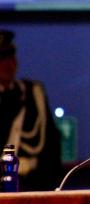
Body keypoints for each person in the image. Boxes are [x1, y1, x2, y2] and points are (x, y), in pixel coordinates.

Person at [0, 29, 62, 191]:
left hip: (33, 184)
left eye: (11, 57)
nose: (8, 64)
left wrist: (47, 186)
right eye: (2, 59)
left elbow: (51, 144)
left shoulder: (33, 93)